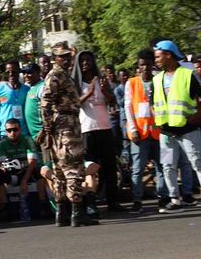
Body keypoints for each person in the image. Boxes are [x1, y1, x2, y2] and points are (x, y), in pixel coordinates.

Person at [41, 42, 98, 227]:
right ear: (54, 58)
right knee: (72, 167)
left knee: (60, 170)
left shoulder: (62, 74)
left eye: (67, 56)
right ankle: (76, 212)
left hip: (66, 123)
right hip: (65, 125)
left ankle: (63, 213)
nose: (66, 59)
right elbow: (45, 102)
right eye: (62, 56)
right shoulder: (56, 75)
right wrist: (48, 129)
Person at [72, 50, 126, 213]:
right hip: (87, 129)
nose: (85, 63)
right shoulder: (76, 83)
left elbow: (112, 102)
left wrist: (105, 92)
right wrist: (88, 94)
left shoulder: (101, 80)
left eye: (88, 60)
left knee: (109, 167)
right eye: (82, 61)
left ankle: (112, 202)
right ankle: (90, 203)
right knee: (90, 168)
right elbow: (74, 104)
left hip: (105, 128)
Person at [151, 40, 201, 213]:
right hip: (166, 133)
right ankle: (174, 199)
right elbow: (153, 104)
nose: (155, 60)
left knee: (197, 163)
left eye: (158, 56)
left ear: (168, 55)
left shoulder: (187, 74)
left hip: (188, 130)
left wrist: (198, 115)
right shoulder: (157, 79)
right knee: (167, 165)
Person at [124, 50, 165, 213]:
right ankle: (137, 200)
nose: (146, 68)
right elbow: (128, 107)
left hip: (158, 132)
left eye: (148, 64)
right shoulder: (131, 83)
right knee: (138, 169)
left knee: (162, 166)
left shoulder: (159, 81)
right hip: (139, 133)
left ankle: (163, 197)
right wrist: (133, 129)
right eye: (142, 65)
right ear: (138, 66)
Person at [0, 118, 43, 222]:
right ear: (5, 132)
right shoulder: (3, 143)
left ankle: (43, 205)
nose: (12, 133)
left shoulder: (27, 140)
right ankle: (5, 208)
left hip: (28, 171)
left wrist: (24, 180)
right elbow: (2, 163)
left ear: (20, 130)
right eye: (9, 130)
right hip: (14, 173)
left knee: (39, 171)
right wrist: (3, 169)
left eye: (15, 130)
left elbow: (32, 162)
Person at [0, 60, 30, 150]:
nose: (11, 74)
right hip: (5, 133)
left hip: (23, 133)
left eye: (14, 71)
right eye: (8, 72)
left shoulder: (26, 89)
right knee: (7, 162)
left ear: (19, 71)